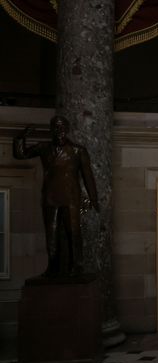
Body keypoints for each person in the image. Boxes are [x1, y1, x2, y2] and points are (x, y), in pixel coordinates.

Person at [13, 115, 98, 277]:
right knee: (51, 234)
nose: (59, 131)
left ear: (67, 129)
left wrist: (93, 198)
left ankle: (76, 266)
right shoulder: (43, 147)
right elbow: (21, 154)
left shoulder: (78, 151)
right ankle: (53, 267)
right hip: (50, 197)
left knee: (73, 232)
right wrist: (20, 137)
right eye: (56, 127)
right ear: (51, 130)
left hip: (71, 198)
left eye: (62, 127)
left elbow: (88, 176)